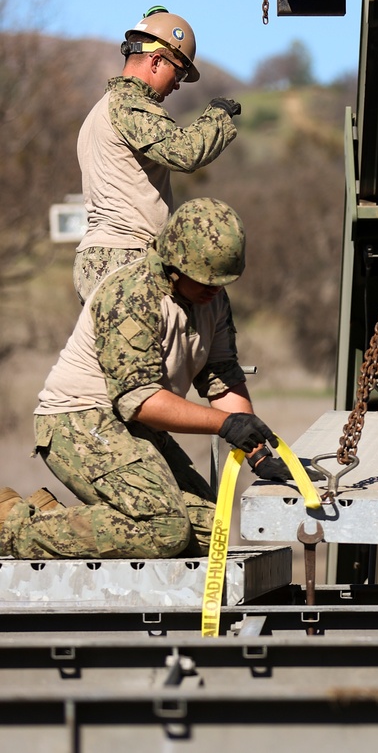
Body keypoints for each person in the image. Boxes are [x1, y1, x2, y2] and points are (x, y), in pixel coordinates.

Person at [0, 198, 291, 561]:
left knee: (207, 529)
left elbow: (221, 376)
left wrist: (257, 449)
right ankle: (13, 528)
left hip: (136, 429)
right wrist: (226, 425)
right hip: (78, 420)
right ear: (174, 264)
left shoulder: (212, 298)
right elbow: (141, 401)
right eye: (205, 279)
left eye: (221, 281)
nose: (214, 289)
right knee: (165, 527)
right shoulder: (129, 295)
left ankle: (50, 520)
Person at [73, 5, 242, 303]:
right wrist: (218, 117)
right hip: (125, 257)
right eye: (177, 72)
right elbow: (185, 152)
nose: (177, 84)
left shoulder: (101, 110)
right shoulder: (128, 104)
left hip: (107, 258)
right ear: (155, 61)